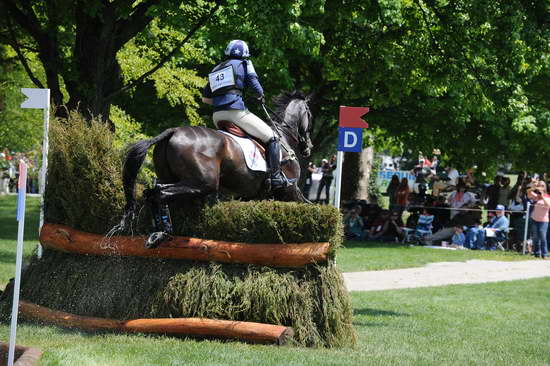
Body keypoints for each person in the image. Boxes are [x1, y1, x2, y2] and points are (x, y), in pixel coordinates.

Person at [201, 40, 291, 189]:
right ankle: (275, 178)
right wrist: (260, 96)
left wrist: (220, 100)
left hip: (217, 116)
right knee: (272, 137)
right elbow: (257, 88)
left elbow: (205, 99)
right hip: (236, 112)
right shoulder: (245, 64)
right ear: (245, 54)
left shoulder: (216, 69)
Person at [527, 181, 550, 259]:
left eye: (542, 185)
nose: (541, 186)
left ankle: (545, 254)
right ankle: (537, 253)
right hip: (534, 219)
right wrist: (534, 187)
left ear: (545, 187)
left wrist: (542, 196)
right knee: (535, 237)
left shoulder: (548, 196)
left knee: (543, 237)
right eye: (540, 185)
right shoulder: (536, 196)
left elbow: (548, 205)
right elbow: (528, 192)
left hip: (544, 220)